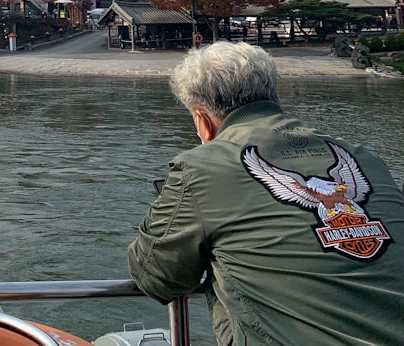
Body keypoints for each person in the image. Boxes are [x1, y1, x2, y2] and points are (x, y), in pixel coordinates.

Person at [128, 41, 404, 345]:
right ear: (273, 96)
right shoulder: (363, 157)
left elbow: (155, 278)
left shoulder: (201, 168)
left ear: (201, 120)